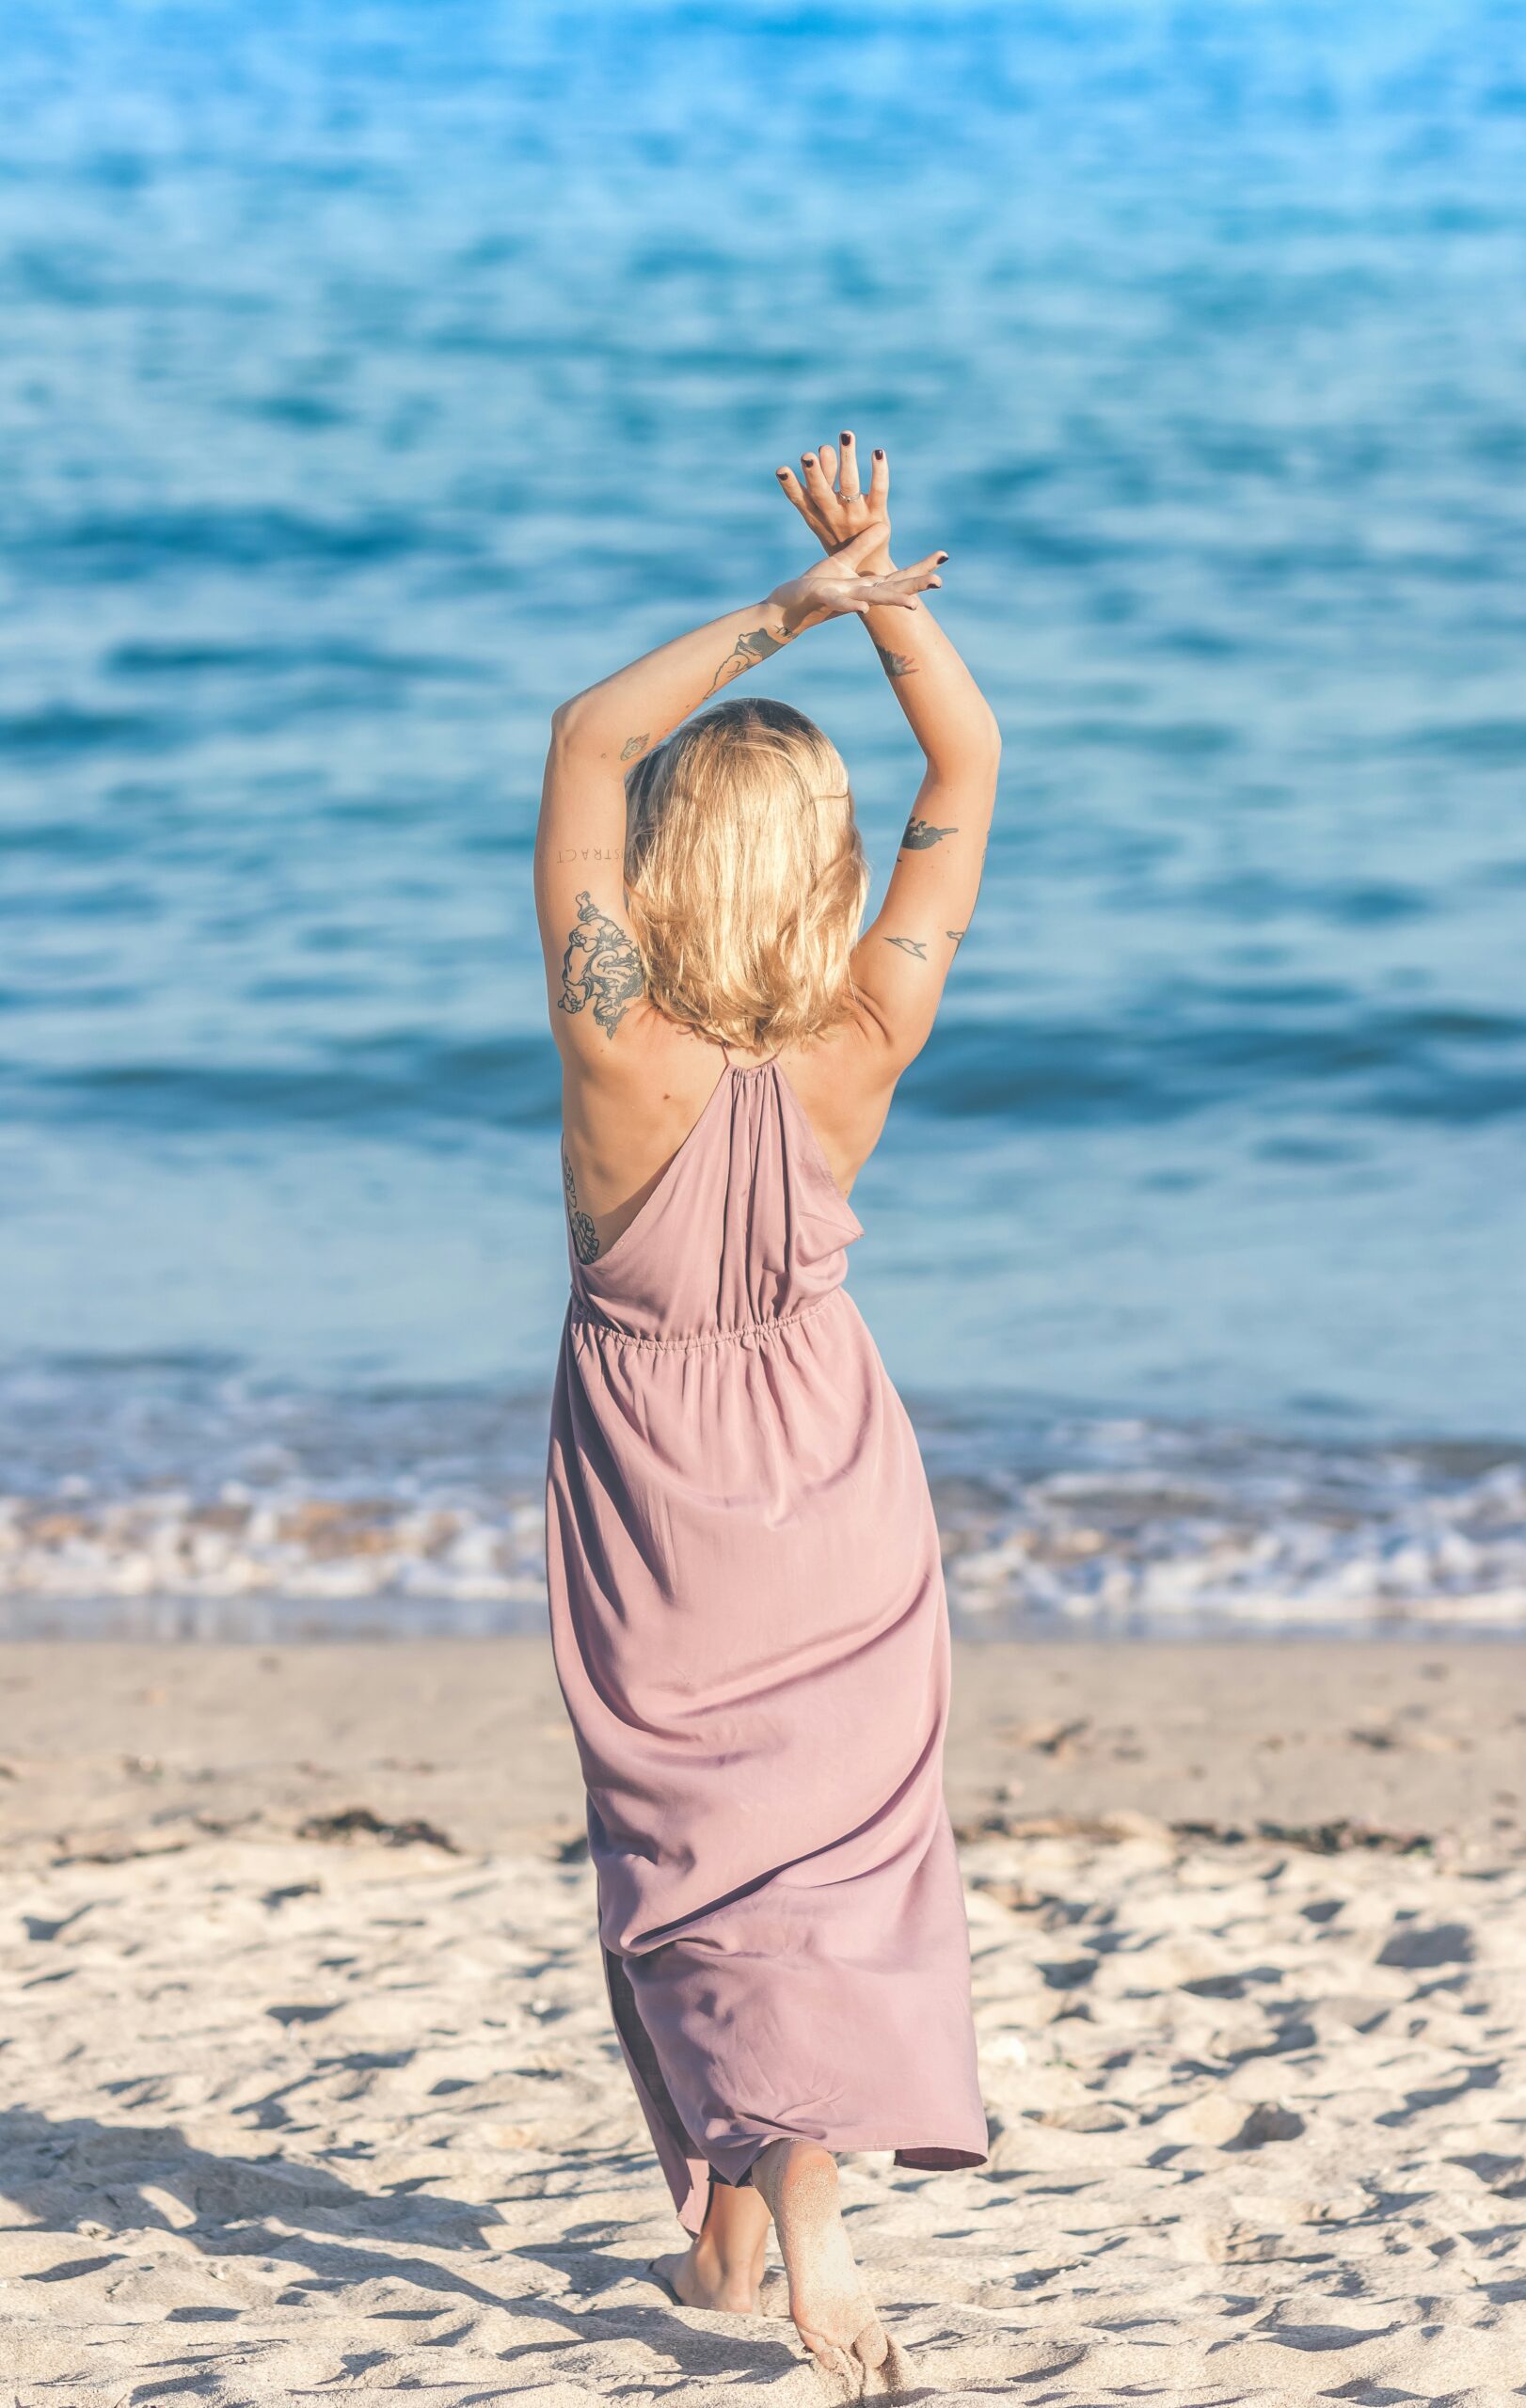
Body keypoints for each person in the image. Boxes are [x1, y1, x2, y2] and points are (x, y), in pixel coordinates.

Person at [538, 434, 1001, 2388]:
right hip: (836, 1471)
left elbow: (577, 739)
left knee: (689, 1854)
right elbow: (964, 779)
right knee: (827, 1847)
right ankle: (750, 2228)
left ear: (660, 865)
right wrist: (882, 600)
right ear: (817, 870)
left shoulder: (613, 1044)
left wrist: (777, 612)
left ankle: (780, 2219)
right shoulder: (858, 1039)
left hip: (657, 1493)